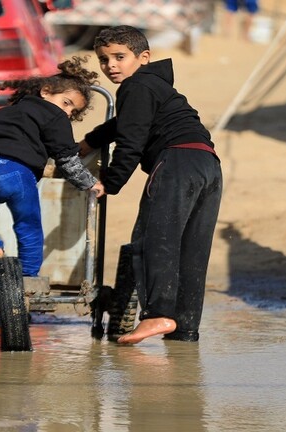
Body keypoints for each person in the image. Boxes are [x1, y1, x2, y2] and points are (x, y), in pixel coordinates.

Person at [79, 26, 223, 344]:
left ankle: (157, 314)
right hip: (209, 166)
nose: (110, 65)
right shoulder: (155, 86)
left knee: (154, 240)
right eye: (103, 59)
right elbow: (127, 123)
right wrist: (91, 141)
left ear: (143, 57)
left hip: (176, 164)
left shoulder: (135, 86)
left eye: (119, 57)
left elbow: (130, 141)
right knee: (192, 249)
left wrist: (109, 182)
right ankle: (184, 329)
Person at [0, 56, 105, 284]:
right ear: (45, 91)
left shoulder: (1, 113)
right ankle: (28, 279)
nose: (68, 113)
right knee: (28, 227)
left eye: (73, 111)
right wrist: (89, 183)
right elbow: (66, 158)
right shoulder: (55, 117)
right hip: (16, 172)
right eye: (66, 103)